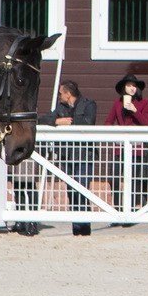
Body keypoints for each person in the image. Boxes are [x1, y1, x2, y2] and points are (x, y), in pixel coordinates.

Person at [50, 81, 97, 235]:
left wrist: (68, 122)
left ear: (68, 94)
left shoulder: (89, 104)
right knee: (71, 191)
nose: (59, 96)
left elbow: (89, 123)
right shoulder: (61, 108)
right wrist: (57, 121)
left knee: (82, 190)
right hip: (67, 155)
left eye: (61, 93)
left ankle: (84, 227)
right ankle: (77, 228)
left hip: (84, 155)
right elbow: (45, 119)